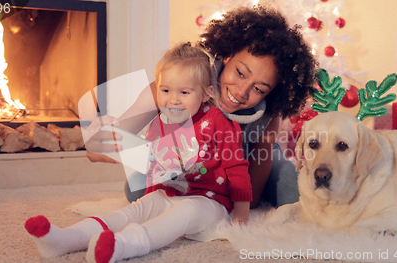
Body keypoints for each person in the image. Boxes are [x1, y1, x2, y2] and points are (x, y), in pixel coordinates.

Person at [25, 42, 252, 261]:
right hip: (170, 194)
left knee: (187, 211)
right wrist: (149, 196)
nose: (173, 99)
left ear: (206, 94)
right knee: (136, 210)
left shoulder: (218, 121)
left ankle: (124, 245)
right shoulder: (159, 123)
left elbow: (237, 169)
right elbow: (154, 166)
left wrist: (241, 215)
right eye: (165, 90)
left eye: (184, 92)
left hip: (209, 203)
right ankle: (67, 238)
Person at [86, 5, 317, 208]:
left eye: (259, 89)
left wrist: (219, 187)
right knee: (136, 190)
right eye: (240, 73)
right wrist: (118, 145)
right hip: (184, 157)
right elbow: (98, 146)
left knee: (293, 189)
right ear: (227, 56)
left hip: (243, 161)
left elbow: (252, 198)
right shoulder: (178, 84)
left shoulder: (266, 115)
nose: (241, 92)